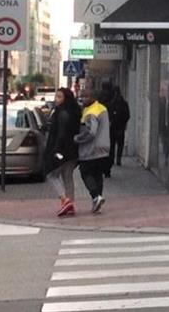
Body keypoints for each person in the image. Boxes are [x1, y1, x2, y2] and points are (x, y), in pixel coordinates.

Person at [74, 86, 113, 214]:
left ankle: (96, 196)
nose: (83, 99)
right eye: (82, 96)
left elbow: (91, 132)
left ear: (93, 97)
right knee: (98, 175)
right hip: (103, 148)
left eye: (86, 96)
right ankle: (97, 202)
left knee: (85, 173)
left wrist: (77, 138)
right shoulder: (102, 108)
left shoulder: (91, 112)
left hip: (90, 149)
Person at [44, 88, 82, 217]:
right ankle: (70, 205)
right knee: (67, 176)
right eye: (56, 96)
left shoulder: (62, 113)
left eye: (59, 97)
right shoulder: (75, 111)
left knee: (51, 175)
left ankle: (65, 200)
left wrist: (56, 150)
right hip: (73, 149)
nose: (56, 99)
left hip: (61, 150)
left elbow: (60, 134)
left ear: (66, 98)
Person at [107, 84, 131, 174]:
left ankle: (112, 158)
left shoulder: (111, 103)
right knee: (120, 143)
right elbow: (127, 115)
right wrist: (124, 123)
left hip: (113, 126)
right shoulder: (124, 103)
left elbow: (108, 114)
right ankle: (118, 159)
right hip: (121, 126)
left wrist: (111, 121)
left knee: (112, 144)